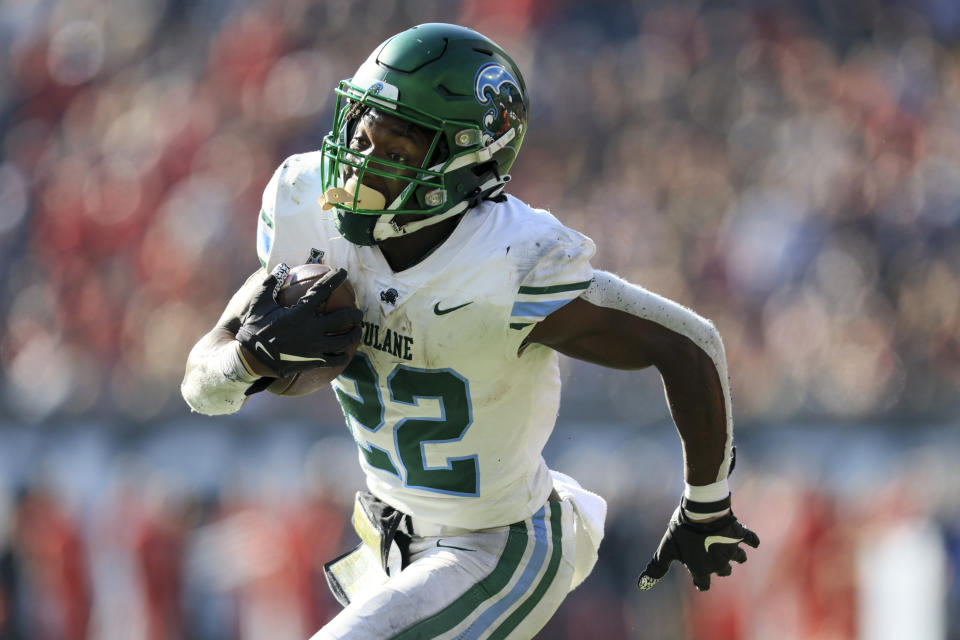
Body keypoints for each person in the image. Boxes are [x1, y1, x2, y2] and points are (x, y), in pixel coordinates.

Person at [181, 22, 759, 639]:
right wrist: (248, 358)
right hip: (389, 537)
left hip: (499, 546)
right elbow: (202, 388)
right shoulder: (306, 203)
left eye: (399, 151)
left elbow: (687, 342)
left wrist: (707, 503)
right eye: (361, 129)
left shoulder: (512, 263)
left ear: (467, 166)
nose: (361, 161)